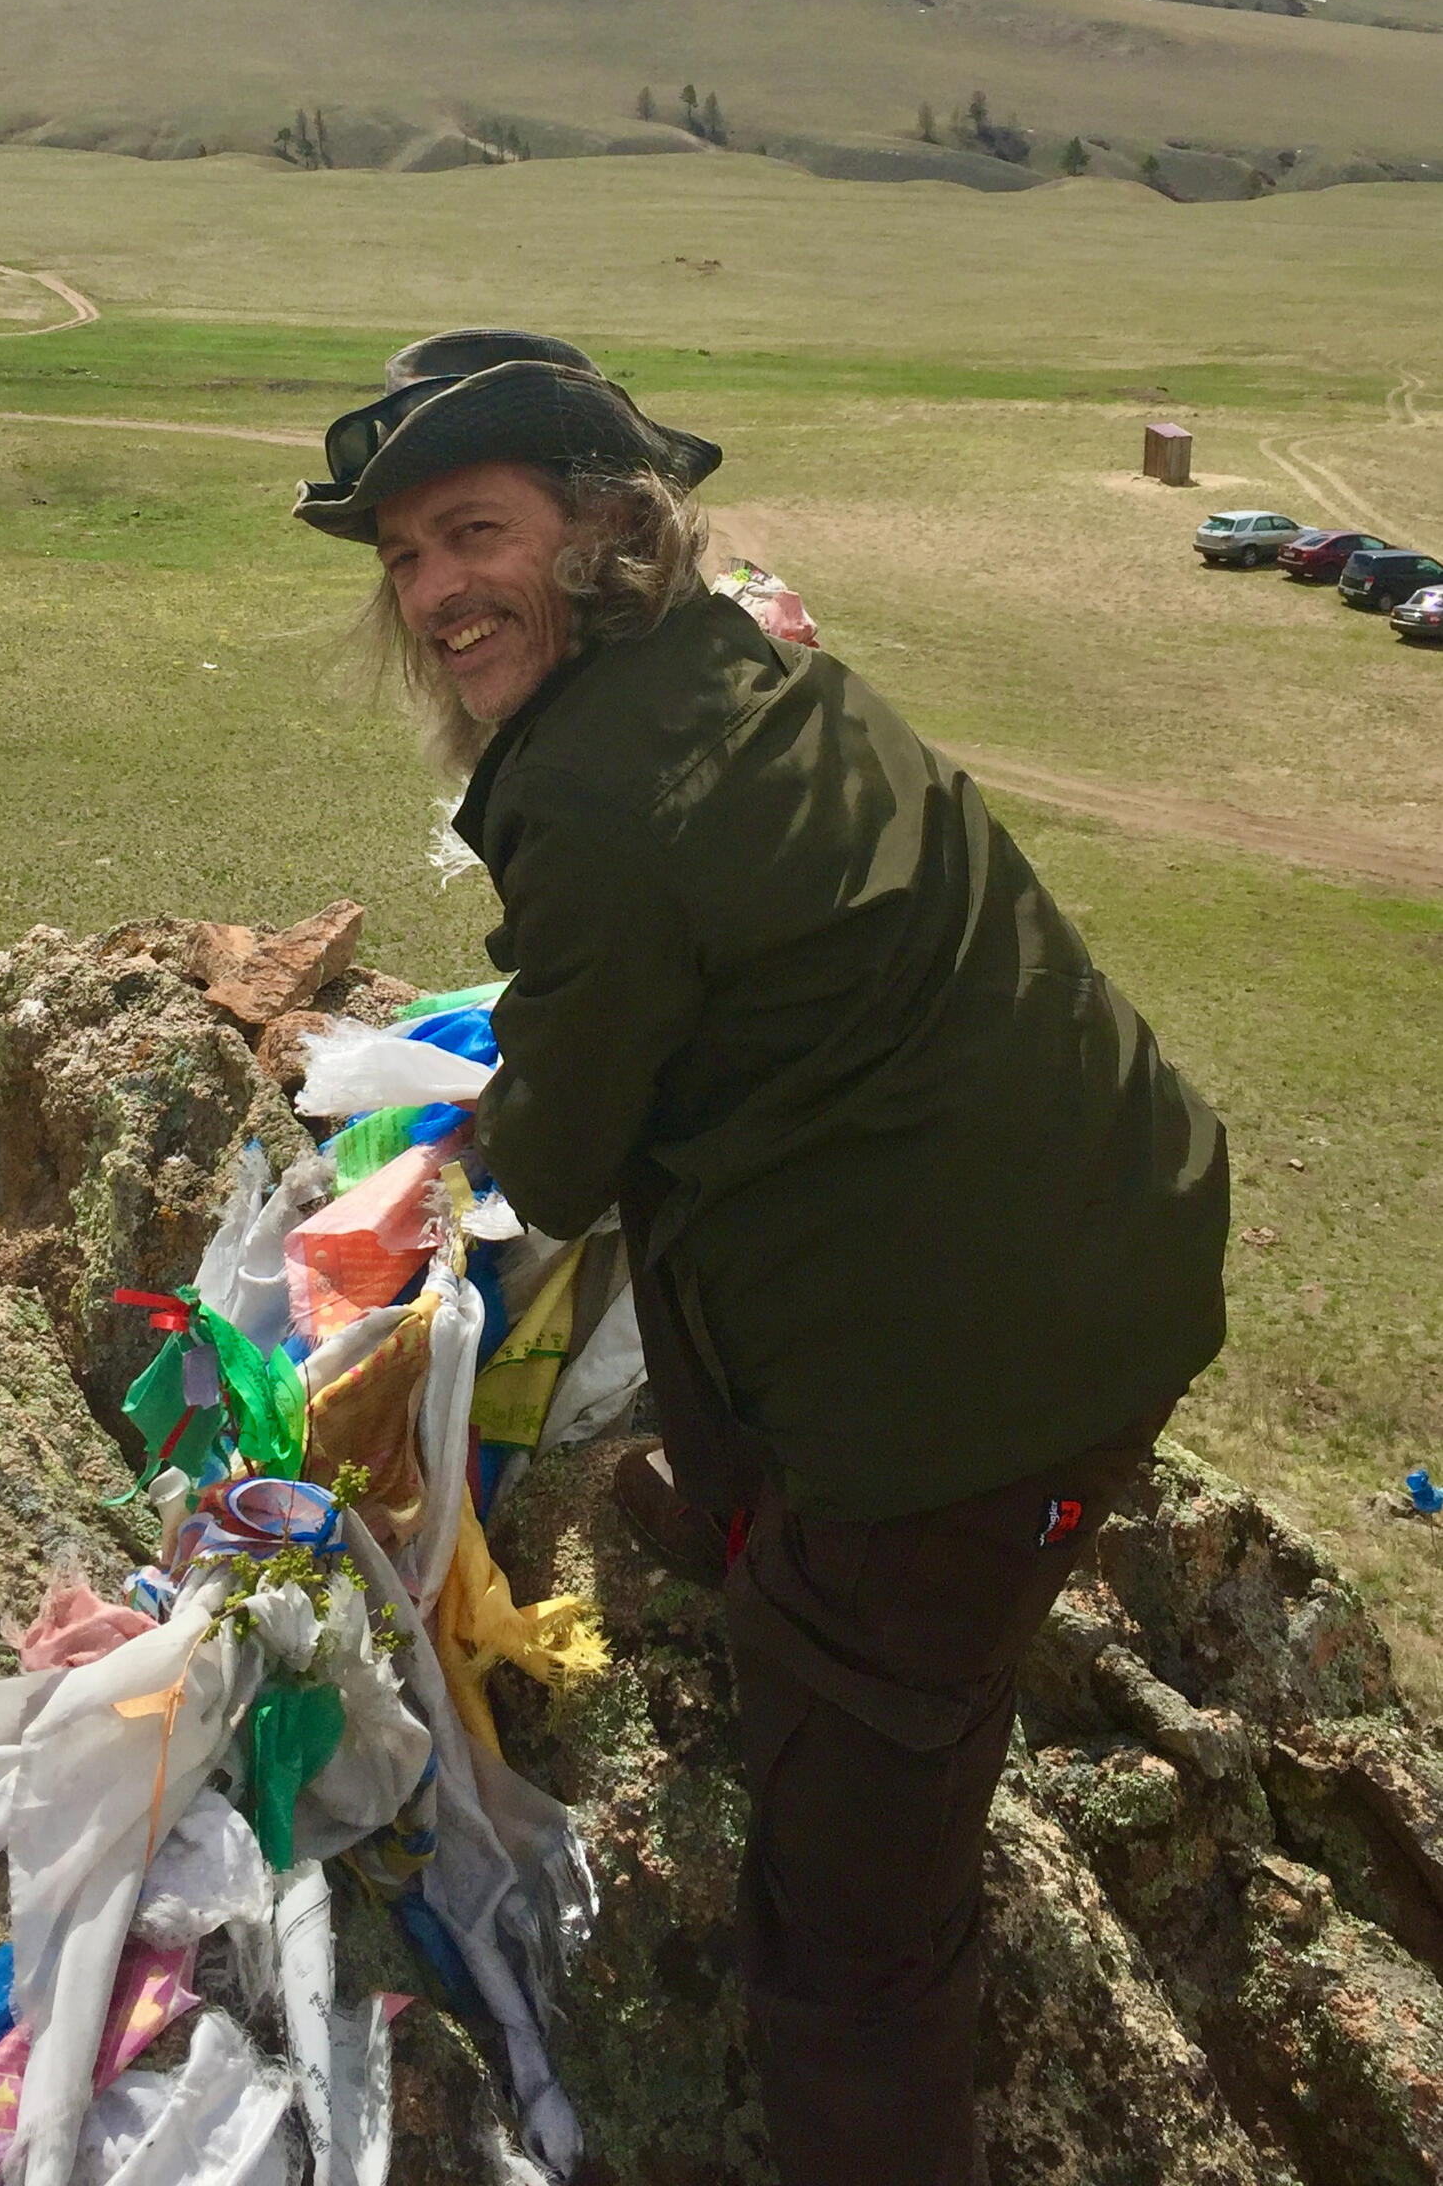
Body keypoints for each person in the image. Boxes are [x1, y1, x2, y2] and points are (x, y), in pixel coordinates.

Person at [294, 329, 1229, 2186]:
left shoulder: (589, 795)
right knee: (697, 1199)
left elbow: (563, 1155)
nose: (433, 591)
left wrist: (495, 1102)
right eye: (402, 555)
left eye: (473, 531)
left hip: (975, 1405)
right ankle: (741, 1530)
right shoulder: (741, 654)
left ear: (597, 532)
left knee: (847, 1944)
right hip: (1109, 1216)